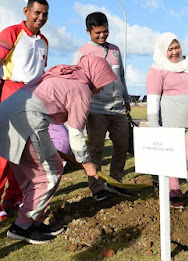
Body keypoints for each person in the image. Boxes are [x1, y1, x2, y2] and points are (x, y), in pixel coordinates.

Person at [0, 55, 117, 244]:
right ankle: (22, 226)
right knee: (51, 174)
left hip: (6, 114)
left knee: (33, 176)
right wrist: (86, 163)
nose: (103, 87)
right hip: (26, 120)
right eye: (103, 80)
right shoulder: (81, 89)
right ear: (96, 74)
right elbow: (76, 133)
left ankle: (34, 222)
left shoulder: (67, 76)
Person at [0, 0, 51, 221]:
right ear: (26, 11)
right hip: (11, 90)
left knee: (24, 152)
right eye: (37, 12)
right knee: (4, 151)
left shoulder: (45, 42)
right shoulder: (11, 33)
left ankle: (12, 198)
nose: (41, 17)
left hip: (33, 95)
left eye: (45, 14)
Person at [73, 12, 132, 201]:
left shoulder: (115, 50)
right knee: (96, 148)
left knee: (122, 146)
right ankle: (97, 187)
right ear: (88, 31)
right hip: (96, 110)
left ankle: (115, 182)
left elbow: (121, 76)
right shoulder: (82, 53)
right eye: (97, 33)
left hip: (118, 109)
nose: (102, 36)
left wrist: (126, 98)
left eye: (105, 31)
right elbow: (77, 83)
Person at [146, 32, 188, 208]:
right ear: (162, 50)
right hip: (169, 125)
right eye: (170, 49)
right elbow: (153, 99)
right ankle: (173, 193)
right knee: (171, 160)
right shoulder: (157, 69)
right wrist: (154, 127)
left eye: (177, 47)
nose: (174, 52)